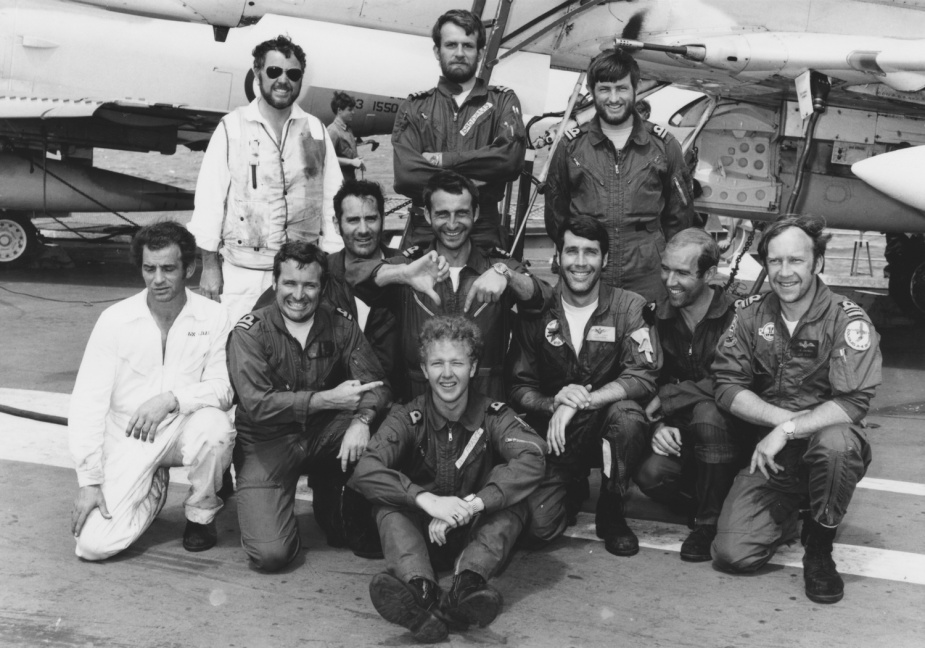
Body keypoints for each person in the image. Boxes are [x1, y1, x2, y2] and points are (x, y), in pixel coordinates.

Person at [710, 216, 881, 604]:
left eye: (796, 261)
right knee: (732, 555)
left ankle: (819, 548)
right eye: (775, 262)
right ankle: (792, 513)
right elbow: (726, 385)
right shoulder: (751, 314)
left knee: (837, 443)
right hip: (774, 458)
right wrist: (781, 424)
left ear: (817, 262)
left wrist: (788, 431)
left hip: (825, 447)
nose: (784, 273)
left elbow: (853, 403)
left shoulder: (847, 319)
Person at [350, 315, 546, 643]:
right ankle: (421, 591)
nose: (446, 373)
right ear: (424, 370)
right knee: (387, 504)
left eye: (457, 362)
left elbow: (534, 455)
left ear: (473, 368)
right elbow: (366, 469)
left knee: (514, 504)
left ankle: (466, 587)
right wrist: (426, 500)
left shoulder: (493, 414)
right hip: (421, 535)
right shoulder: (407, 416)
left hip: (472, 533)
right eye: (437, 363)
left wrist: (473, 504)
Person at [69, 221, 235, 560]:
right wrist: (89, 481)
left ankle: (200, 515)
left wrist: (172, 400)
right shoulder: (114, 320)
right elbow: (88, 403)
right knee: (92, 546)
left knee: (217, 430)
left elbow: (224, 388)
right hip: (129, 439)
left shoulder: (216, 316)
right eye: (149, 268)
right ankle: (152, 489)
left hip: (184, 428)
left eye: (168, 268)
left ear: (189, 268)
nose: (158, 279)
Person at [225, 241, 390, 572]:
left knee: (389, 427)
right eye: (289, 283)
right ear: (274, 283)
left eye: (309, 285)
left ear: (322, 287)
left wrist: (362, 419)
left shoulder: (341, 324)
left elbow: (378, 386)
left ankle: (332, 489)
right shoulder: (250, 333)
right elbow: (257, 405)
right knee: (271, 556)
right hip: (266, 442)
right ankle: (270, 512)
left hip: (324, 434)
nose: (298, 295)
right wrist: (325, 399)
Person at [506, 215, 661, 556]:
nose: (580, 262)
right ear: (557, 258)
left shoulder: (628, 307)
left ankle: (612, 509)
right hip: (554, 435)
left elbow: (642, 375)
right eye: (571, 251)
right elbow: (519, 386)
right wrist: (552, 404)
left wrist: (580, 402)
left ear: (604, 259)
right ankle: (570, 486)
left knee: (629, 417)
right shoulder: (536, 313)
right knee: (537, 529)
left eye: (590, 252)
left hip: (604, 427)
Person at [348, 170, 549, 403]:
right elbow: (354, 277)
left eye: (461, 213)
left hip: (487, 411)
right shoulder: (411, 265)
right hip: (420, 412)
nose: (452, 224)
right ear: (427, 215)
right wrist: (402, 274)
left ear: (476, 214)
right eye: (443, 214)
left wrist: (507, 276)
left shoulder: (497, 265)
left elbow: (545, 297)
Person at [189, 35, 343, 323]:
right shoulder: (231, 128)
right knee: (238, 354)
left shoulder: (317, 131)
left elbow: (332, 203)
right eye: (274, 71)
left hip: (301, 275)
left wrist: (332, 265)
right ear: (258, 72)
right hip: (243, 276)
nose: (283, 80)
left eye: (292, 74)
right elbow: (210, 200)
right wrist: (209, 267)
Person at [544, 48, 696, 302]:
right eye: (604, 89)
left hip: (647, 271)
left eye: (622, 88)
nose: (613, 98)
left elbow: (679, 217)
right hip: (588, 265)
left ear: (635, 89)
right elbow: (556, 215)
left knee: (647, 338)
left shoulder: (664, 146)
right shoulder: (570, 147)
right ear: (592, 92)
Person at [633, 228, 739, 562]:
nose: (669, 281)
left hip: (733, 433)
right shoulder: (656, 316)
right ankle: (716, 502)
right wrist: (657, 427)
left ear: (709, 275)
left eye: (682, 273)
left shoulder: (738, 316)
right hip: (684, 435)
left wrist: (669, 398)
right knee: (651, 476)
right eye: (666, 269)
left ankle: (707, 524)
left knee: (709, 413)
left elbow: (731, 382)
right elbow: (645, 379)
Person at [393, 9, 526, 251]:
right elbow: (406, 176)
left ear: (480, 52)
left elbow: (509, 160)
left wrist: (444, 160)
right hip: (425, 231)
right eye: (451, 45)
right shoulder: (413, 107)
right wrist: (476, 177)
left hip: (483, 231)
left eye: (468, 46)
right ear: (437, 50)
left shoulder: (502, 102)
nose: (459, 53)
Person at [328, 91, 365, 181]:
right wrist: (351, 162)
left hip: (349, 180)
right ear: (339, 110)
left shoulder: (348, 129)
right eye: (350, 109)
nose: (353, 112)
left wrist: (357, 160)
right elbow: (327, 159)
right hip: (337, 183)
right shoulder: (333, 131)